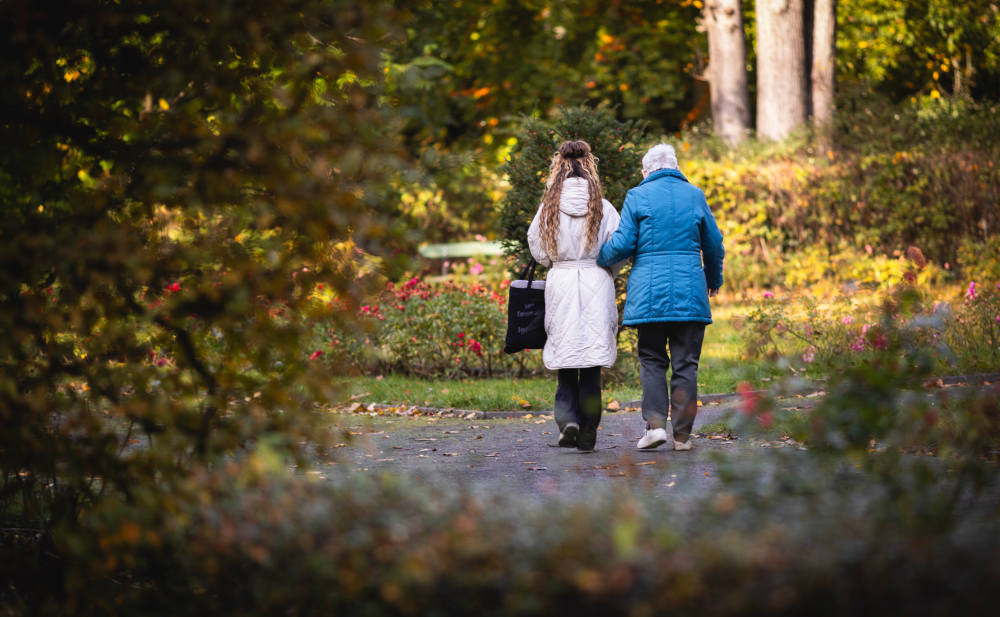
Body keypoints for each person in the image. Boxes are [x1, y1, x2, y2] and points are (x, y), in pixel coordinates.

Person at [597, 143, 724, 451]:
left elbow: (624, 244)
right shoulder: (695, 195)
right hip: (689, 292)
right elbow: (715, 243)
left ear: (646, 170)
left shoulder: (637, 196)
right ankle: (682, 437)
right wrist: (713, 278)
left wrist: (598, 260)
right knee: (686, 365)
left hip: (649, 294)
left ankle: (654, 427)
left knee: (653, 361)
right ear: (675, 166)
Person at [527, 140, 622, 452]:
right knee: (592, 358)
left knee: (566, 355)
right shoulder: (603, 207)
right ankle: (589, 424)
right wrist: (607, 269)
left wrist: (558, 260)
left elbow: (538, 251)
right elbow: (617, 248)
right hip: (596, 278)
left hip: (562, 280)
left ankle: (567, 418)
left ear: (559, 167)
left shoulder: (548, 208)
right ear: (589, 165)